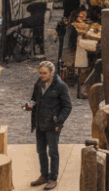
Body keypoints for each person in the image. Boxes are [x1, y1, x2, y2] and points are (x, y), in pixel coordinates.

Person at [27, 61, 72, 190]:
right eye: (40, 73)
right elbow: (33, 100)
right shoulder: (38, 84)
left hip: (53, 125)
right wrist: (26, 107)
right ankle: (44, 176)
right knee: (41, 151)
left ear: (52, 73)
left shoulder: (60, 86)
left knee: (53, 152)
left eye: (44, 73)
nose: (42, 75)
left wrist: (59, 121)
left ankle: (53, 178)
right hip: (40, 123)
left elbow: (67, 106)